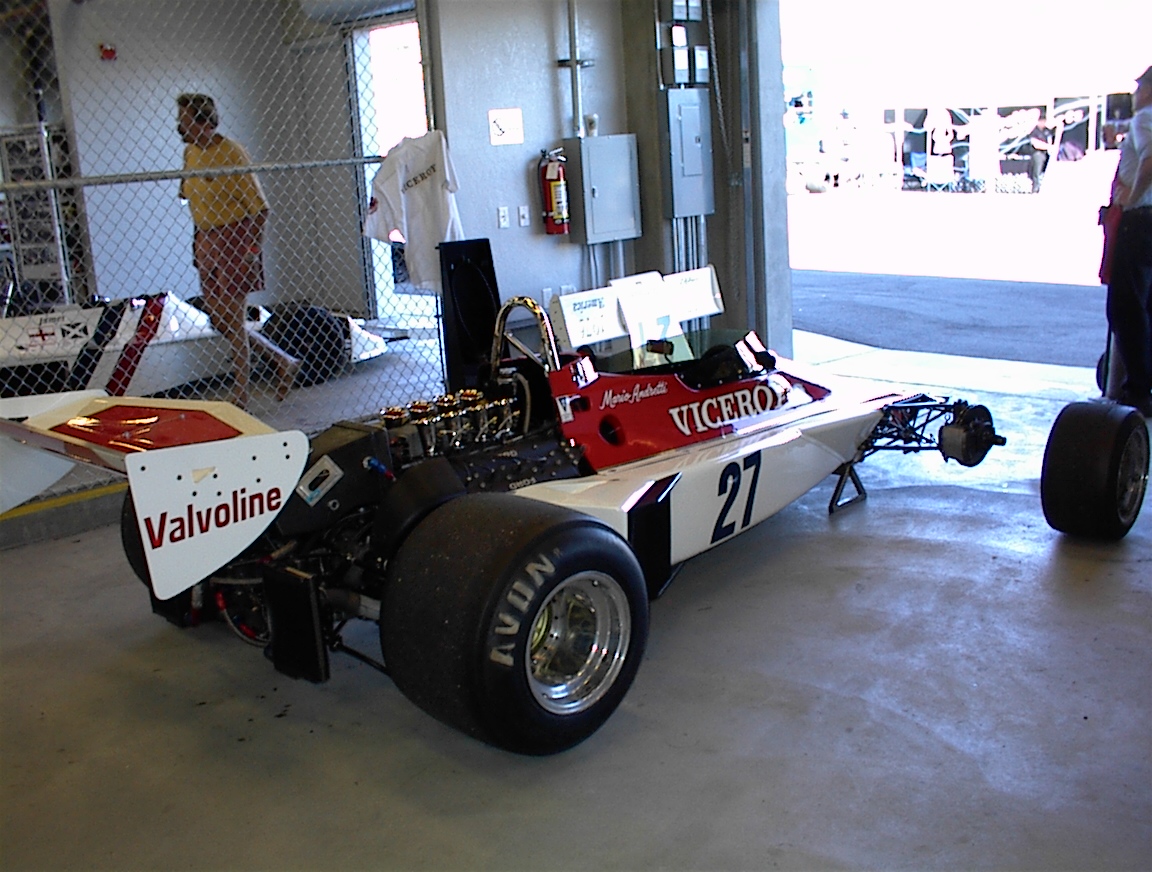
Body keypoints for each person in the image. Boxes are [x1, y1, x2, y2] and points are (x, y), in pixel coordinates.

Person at [177, 93, 298, 408]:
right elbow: (188, 196)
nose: (179, 126)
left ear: (203, 122)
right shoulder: (190, 153)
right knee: (220, 320)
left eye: (185, 119)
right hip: (206, 237)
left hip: (235, 236)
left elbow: (260, 208)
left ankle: (240, 393)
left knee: (233, 316)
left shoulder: (231, 153)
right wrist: (198, 241)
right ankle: (281, 360)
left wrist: (251, 249)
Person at [1106, 66, 1152, 415]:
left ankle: (1138, 387)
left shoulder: (1145, 119)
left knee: (1125, 306)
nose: (1135, 95)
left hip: (1139, 220)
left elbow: (1149, 162)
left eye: (1140, 88)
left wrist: (1132, 198)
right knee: (1146, 304)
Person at [1023, 113, 1054, 193]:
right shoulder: (1034, 131)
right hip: (1038, 154)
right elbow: (1035, 143)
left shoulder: (1047, 130)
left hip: (1047, 154)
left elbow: (1051, 138)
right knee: (1036, 172)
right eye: (1041, 121)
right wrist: (1048, 146)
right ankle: (1036, 189)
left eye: (1044, 121)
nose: (1043, 123)